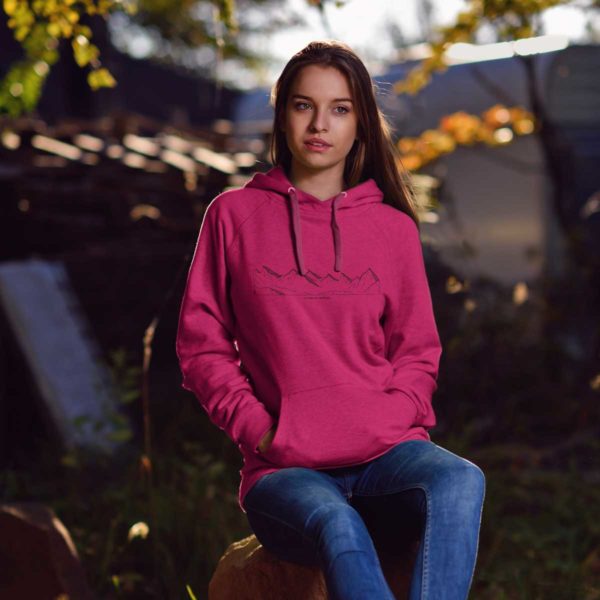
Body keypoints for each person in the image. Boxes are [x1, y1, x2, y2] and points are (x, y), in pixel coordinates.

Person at [175, 40, 486, 600]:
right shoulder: (234, 216)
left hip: (385, 458)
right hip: (285, 474)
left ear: (361, 123)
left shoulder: (392, 230)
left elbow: (417, 351)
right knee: (337, 522)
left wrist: (392, 416)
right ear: (282, 115)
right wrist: (262, 430)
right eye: (303, 105)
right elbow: (202, 348)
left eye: (340, 108)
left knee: (461, 479)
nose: (320, 124)